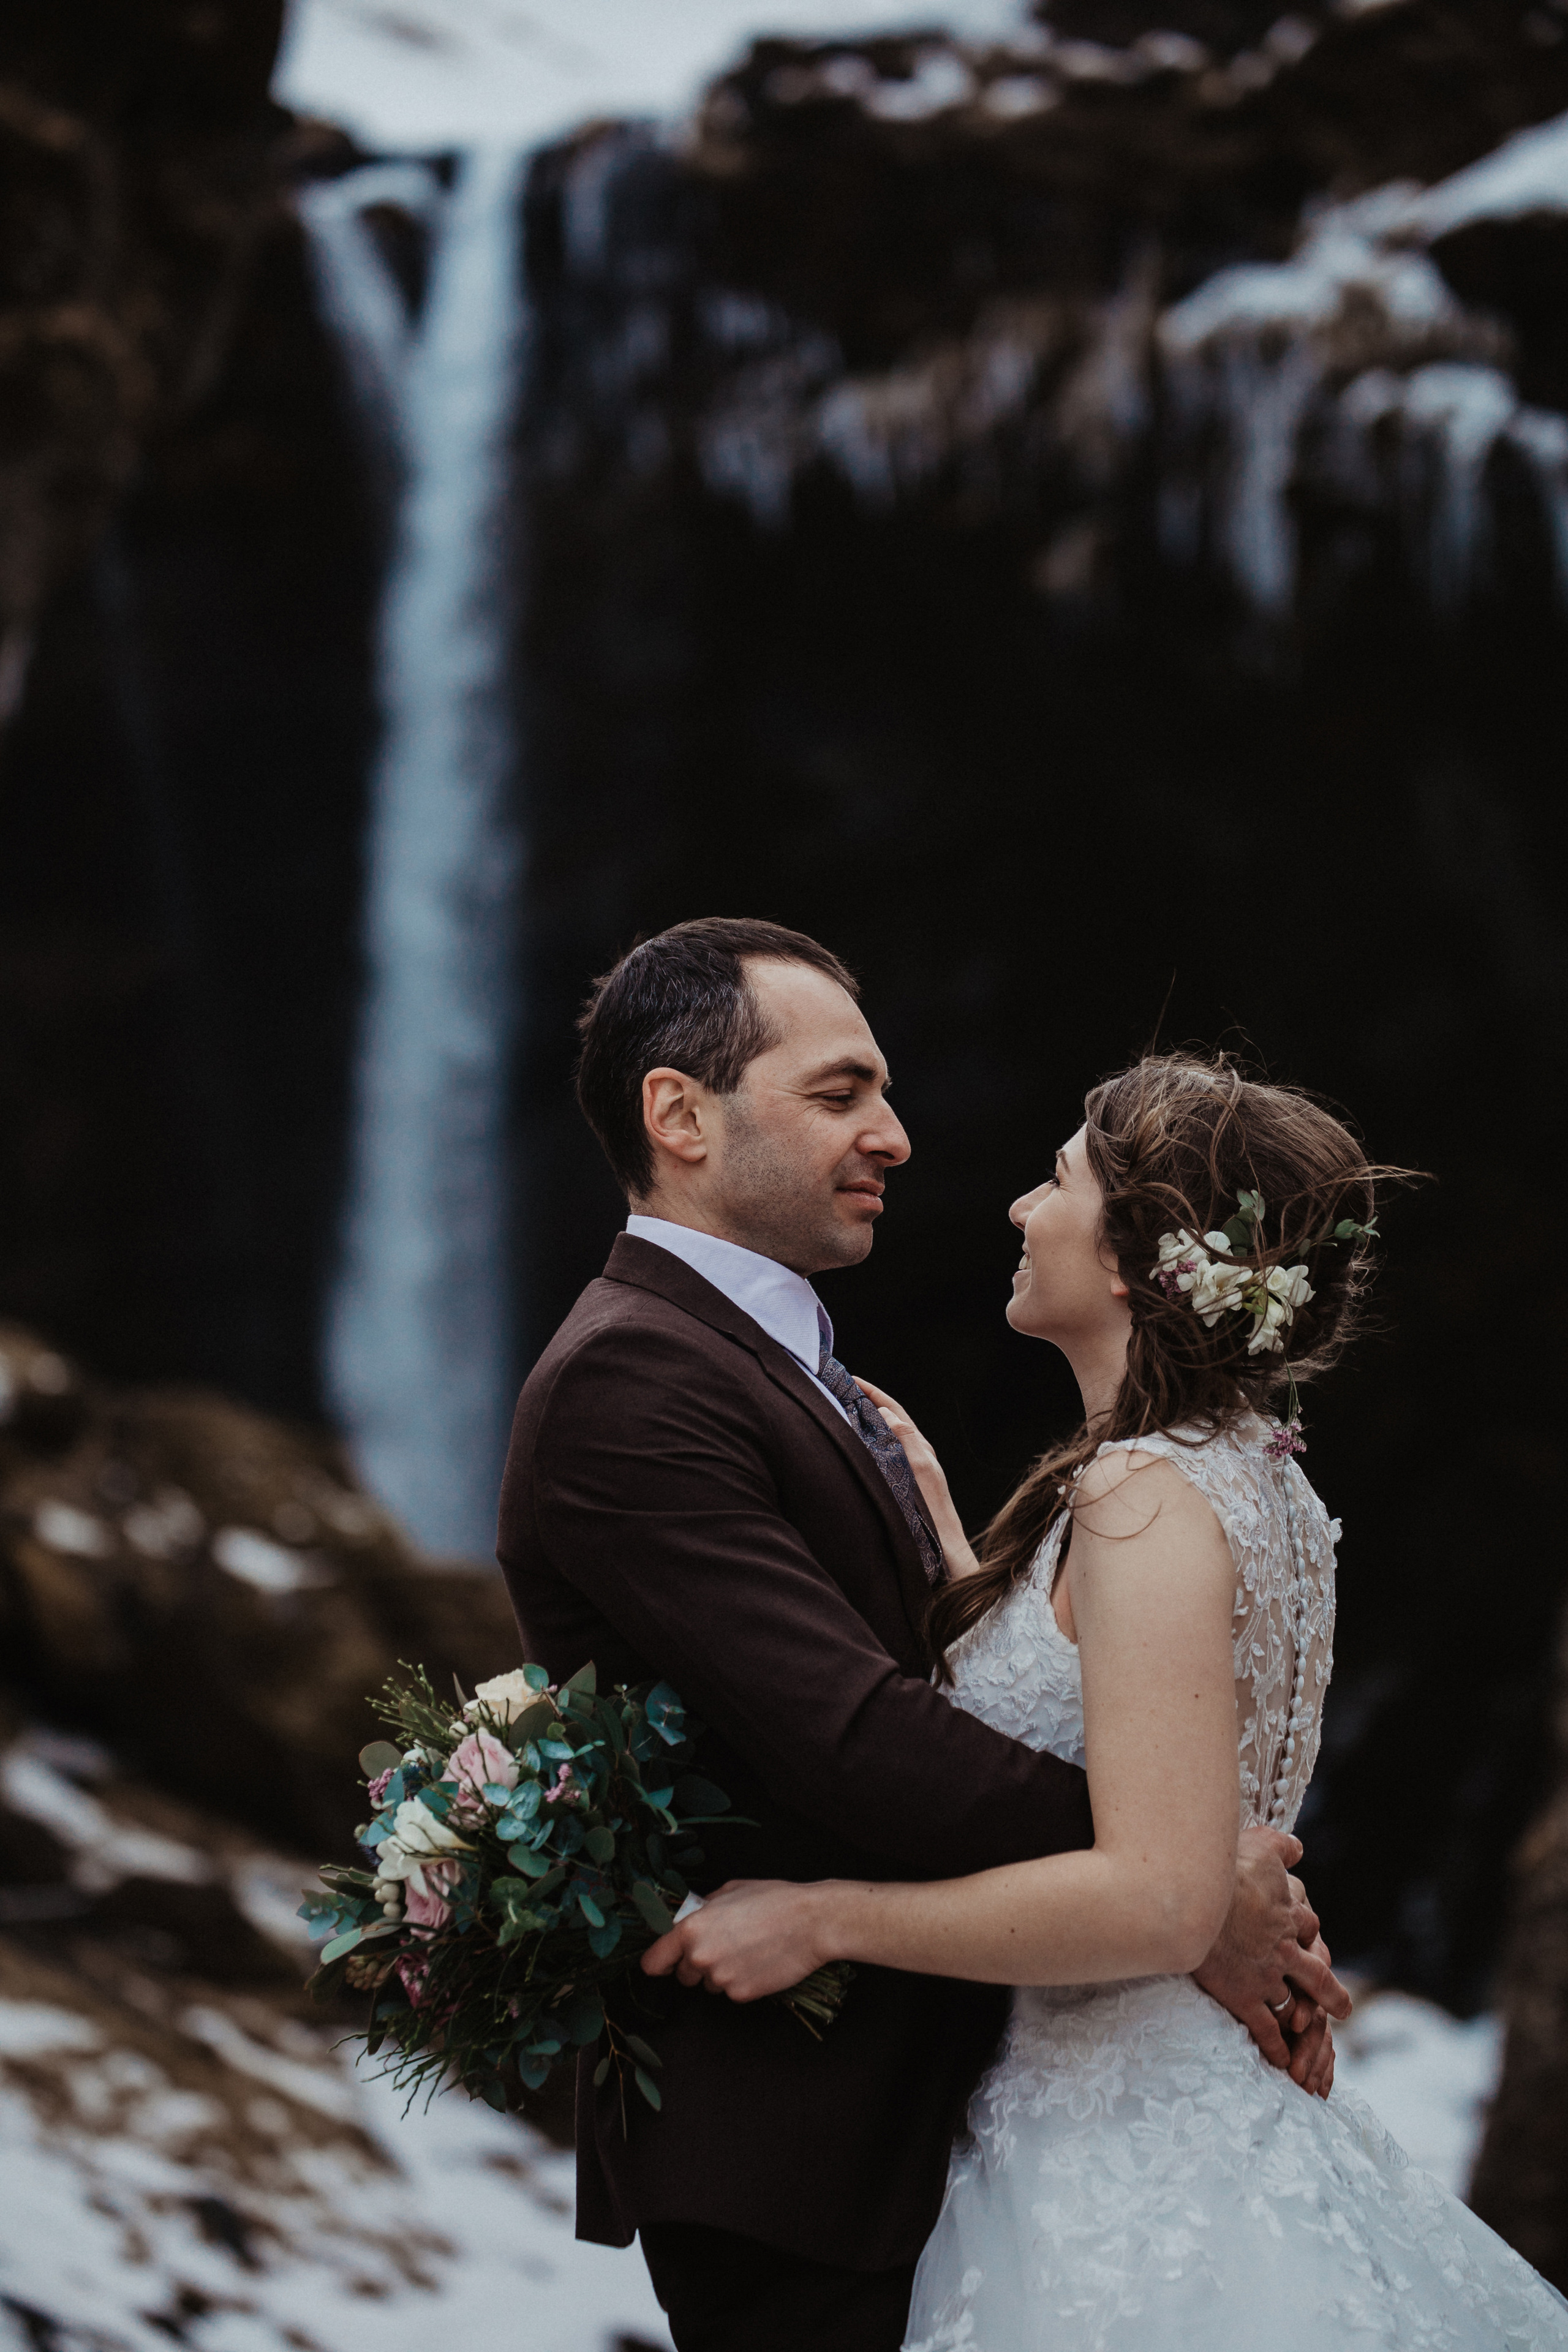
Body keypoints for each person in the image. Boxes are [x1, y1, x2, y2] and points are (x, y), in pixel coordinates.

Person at [497, 920, 1344, 2352]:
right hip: (801, 2140)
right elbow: (850, 1735)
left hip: (965, 2123)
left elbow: (917, 1681)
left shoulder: (803, 1371)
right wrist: (1183, 1884)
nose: (896, 1136)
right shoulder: (630, 1376)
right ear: (678, 1115)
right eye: (840, 1094)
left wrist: (1162, 1873)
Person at [644, 1052, 1568, 2350]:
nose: (1021, 1209)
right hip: (1187, 2105)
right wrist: (952, 1542)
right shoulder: (1260, 1482)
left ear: (1136, 1256)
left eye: (1058, 1180)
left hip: (1110, 2161)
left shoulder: (1140, 1498)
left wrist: (819, 1918)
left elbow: (1159, 1901)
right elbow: (1095, 1701)